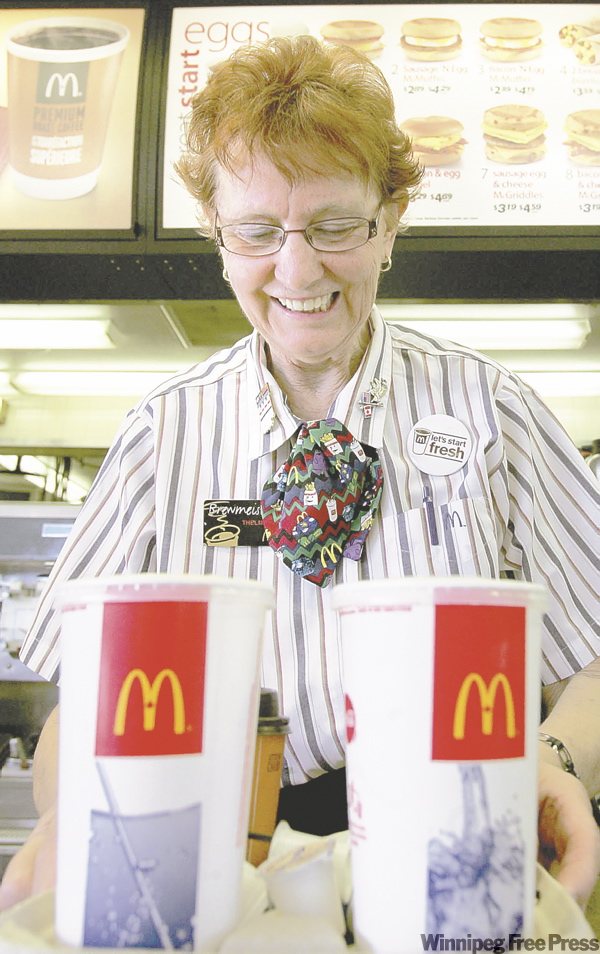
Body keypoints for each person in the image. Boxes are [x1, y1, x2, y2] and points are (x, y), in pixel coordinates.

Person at [1, 34, 599, 916]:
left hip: (463, 845)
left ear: (389, 222)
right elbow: (78, 697)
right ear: (217, 234)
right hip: (220, 863)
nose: (297, 269)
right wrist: (65, 813)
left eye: (335, 224)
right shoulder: (160, 436)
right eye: (256, 231)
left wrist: (554, 764)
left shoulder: (493, 413)